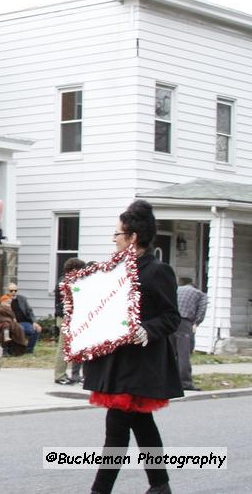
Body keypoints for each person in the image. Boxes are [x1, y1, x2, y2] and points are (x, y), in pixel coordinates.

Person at [83, 200, 182, 494]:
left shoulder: (157, 271)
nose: (113, 239)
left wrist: (145, 330)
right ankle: (160, 485)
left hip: (139, 364)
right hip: (117, 362)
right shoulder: (116, 270)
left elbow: (171, 317)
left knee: (116, 432)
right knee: (143, 426)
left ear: (132, 237)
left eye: (117, 234)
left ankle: (99, 491)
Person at [55, 258, 86, 384]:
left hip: (64, 317)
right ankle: (59, 376)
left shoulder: (64, 280)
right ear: (74, 270)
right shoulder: (67, 282)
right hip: (65, 317)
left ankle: (64, 374)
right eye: (80, 270)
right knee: (63, 347)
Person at [174, 277, 207, 391]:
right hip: (184, 322)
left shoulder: (176, 289)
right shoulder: (200, 294)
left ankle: (167, 381)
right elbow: (202, 311)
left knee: (170, 353)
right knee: (184, 354)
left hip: (170, 320)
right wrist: (196, 323)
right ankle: (185, 383)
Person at [7, 282, 41, 353]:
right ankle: (17, 349)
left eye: (15, 290)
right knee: (20, 329)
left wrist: (34, 322)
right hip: (13, 323)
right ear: (7, 291)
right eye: (11, 291)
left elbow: (29, 311)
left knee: (37, 329)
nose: (13, 292)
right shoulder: (5, 300)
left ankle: (29, 349)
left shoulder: (22, 299)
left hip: (25, 322)